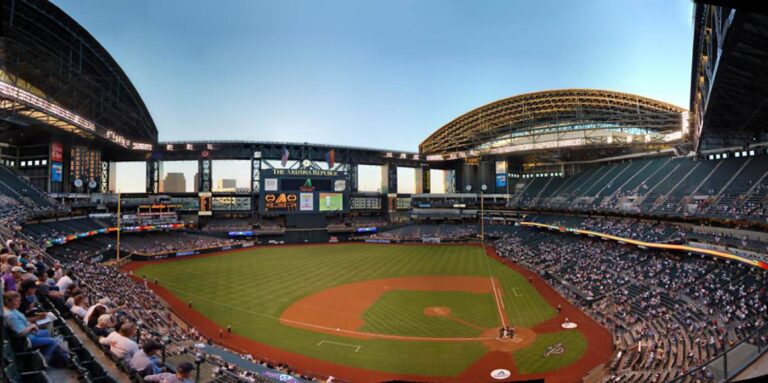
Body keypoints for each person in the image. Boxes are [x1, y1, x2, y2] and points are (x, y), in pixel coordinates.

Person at [3, 291, 62, 362]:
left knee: (47, 333)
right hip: (24, 340)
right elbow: (20, 332)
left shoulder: (13, 309)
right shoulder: (10, 316)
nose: (19, 302)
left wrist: (32, 326)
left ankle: (44, 353)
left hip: (28, 334)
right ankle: (41, 361)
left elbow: (24, 321)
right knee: (53, 341)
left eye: (19, 300)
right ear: (8, 302)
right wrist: (31, 326)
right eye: (17, 301)